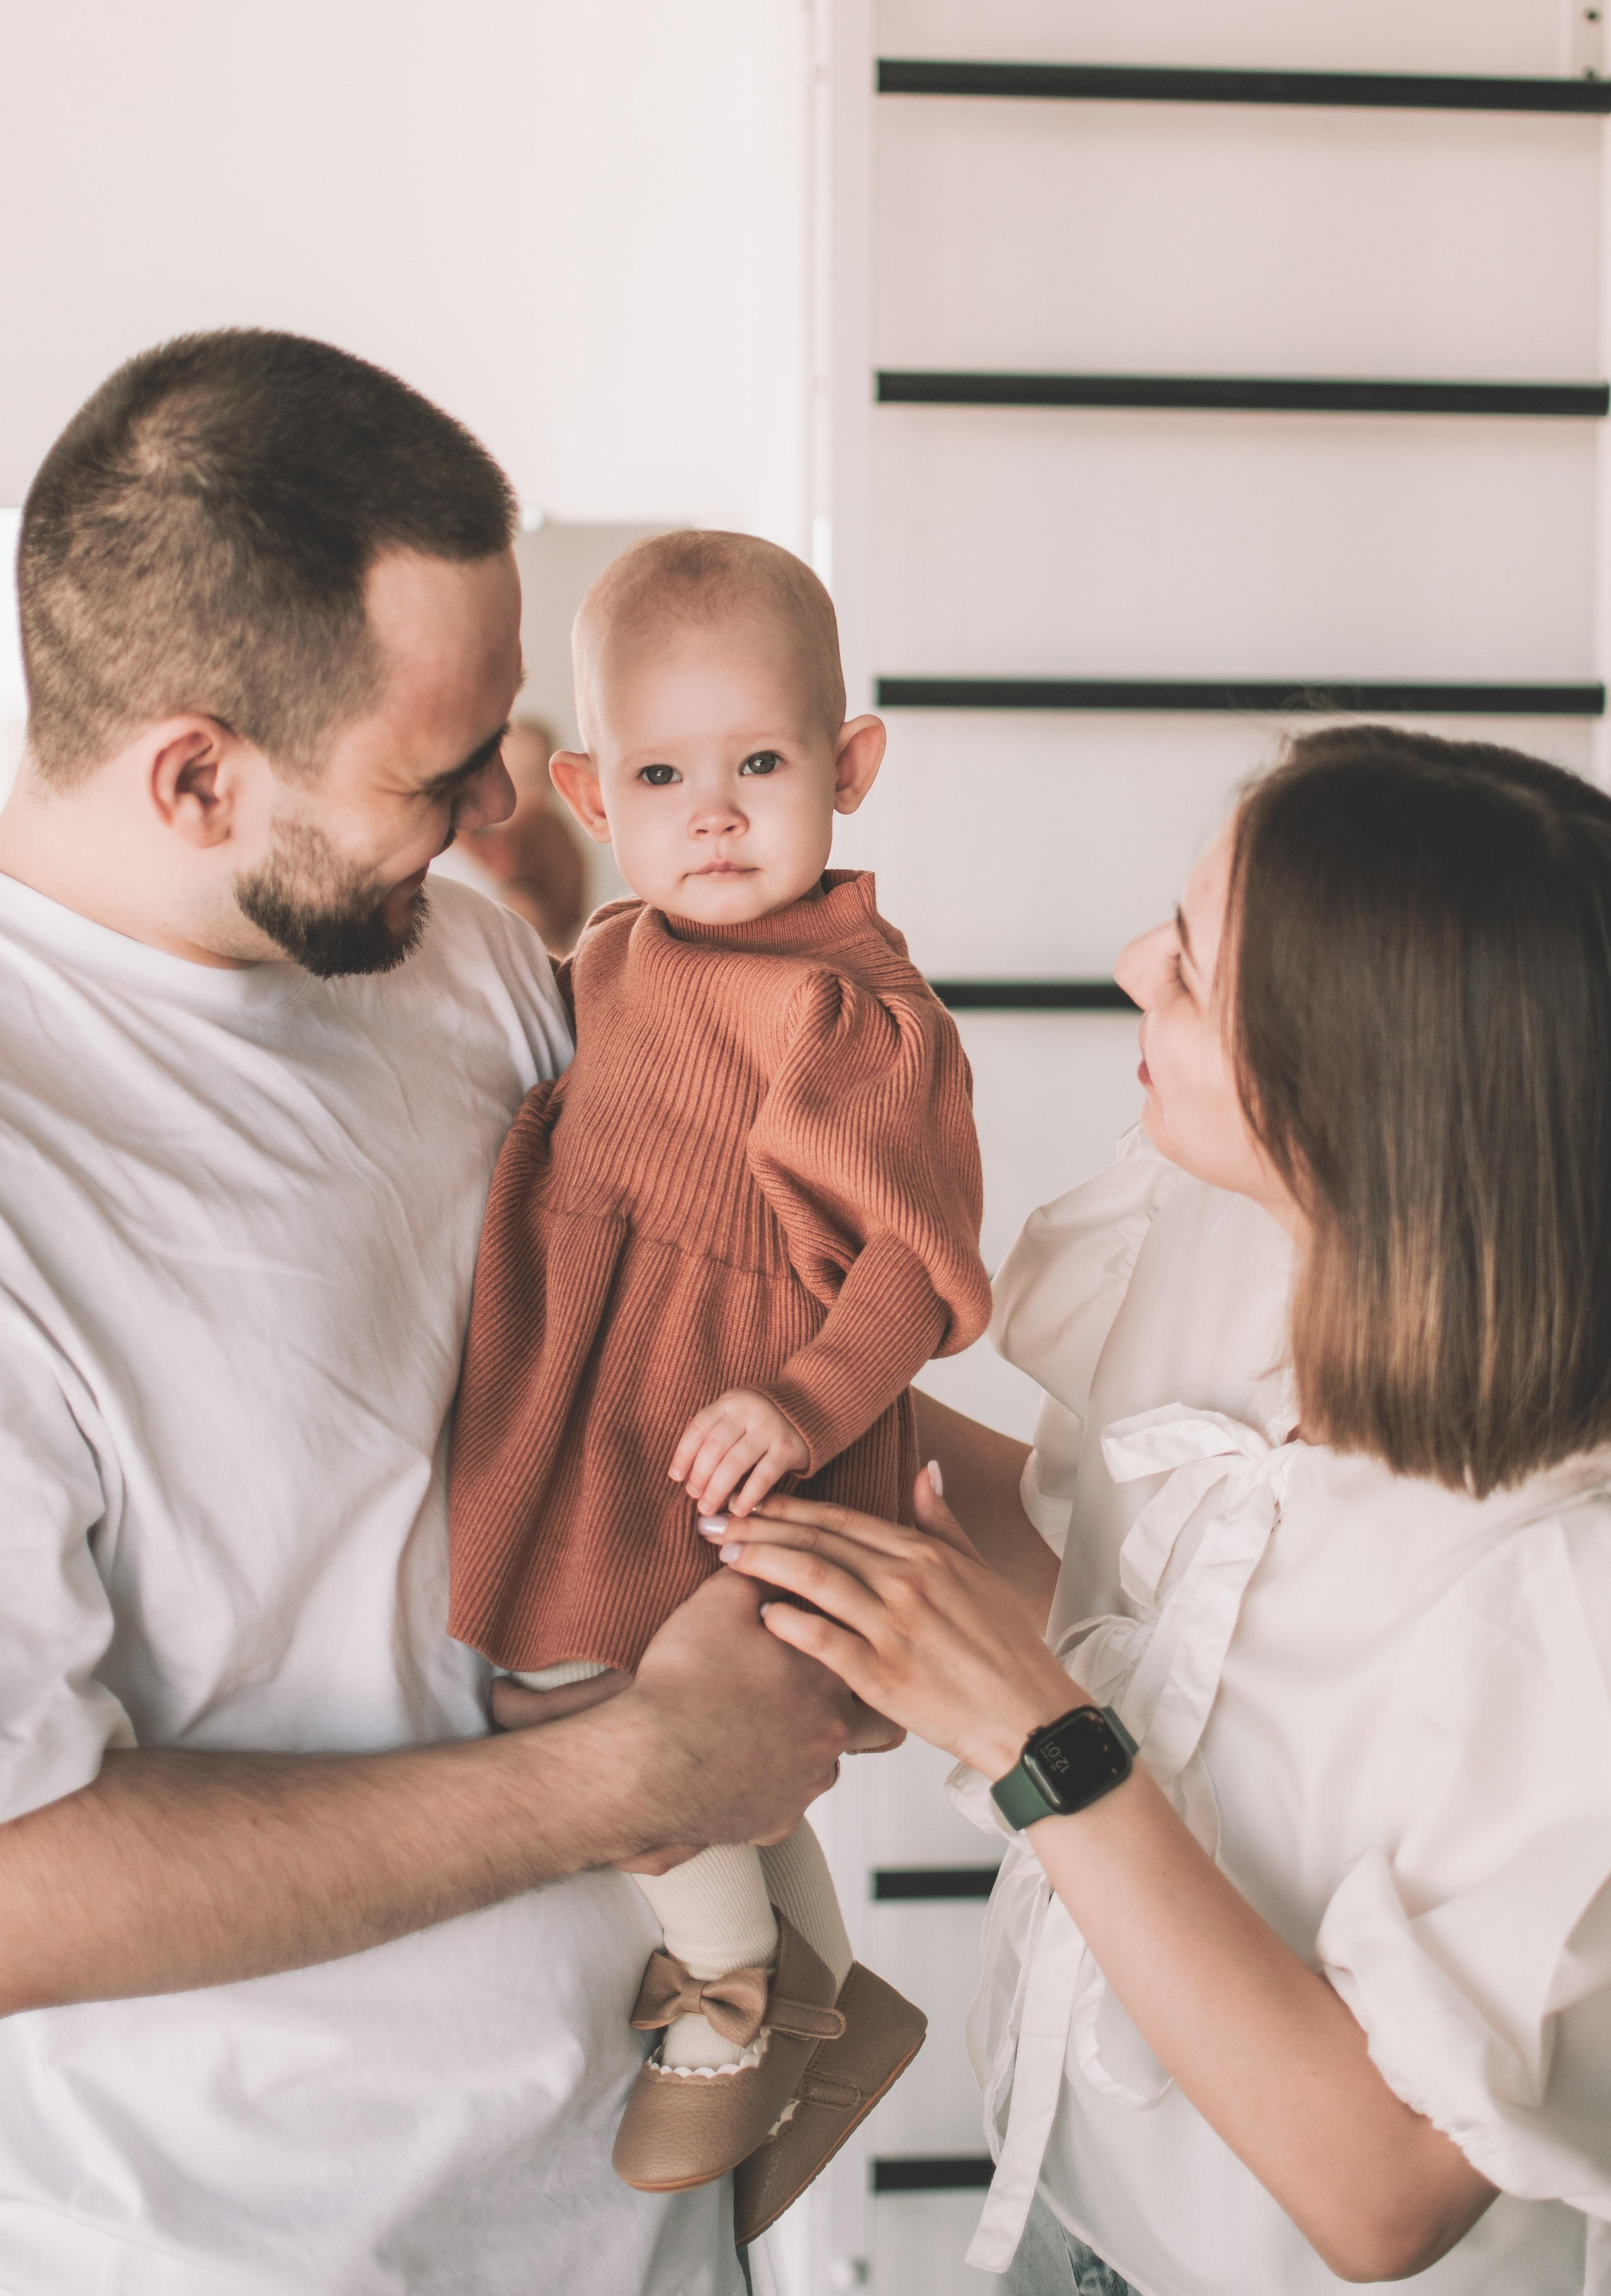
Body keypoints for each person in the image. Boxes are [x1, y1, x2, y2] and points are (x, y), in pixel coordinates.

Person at [0, 330, 860, 2296]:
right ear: (197, 769)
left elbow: (686, 1322)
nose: (504, 800)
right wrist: (637, 1777)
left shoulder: (454, 953)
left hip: (640, 2205)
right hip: (243, 2253)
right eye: (438, 763)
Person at [707, 728, 1611, 2295]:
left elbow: (1384, 2192)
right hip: (1065, 2221)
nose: (1132, 964)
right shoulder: (1223, 1229)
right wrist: (761, 1383)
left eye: (1191, 969)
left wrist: (1033, 1733)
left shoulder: (1574, 1577)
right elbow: (1097, 1555)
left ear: (1361, 1098)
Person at [448, 529, 992, 2229]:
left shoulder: (859, 1015)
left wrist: (803, 1407)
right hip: (602, 1388)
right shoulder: (613, 953)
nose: (720, 815)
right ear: (599, 797)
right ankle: (816, 1976)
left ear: (852, 769)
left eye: (763, 766)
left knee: (574, 1693)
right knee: (653, 1712)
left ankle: (732, 1986)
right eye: (671, 776)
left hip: (734, 1411)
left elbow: (911, 1269)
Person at [434, 712, 590, 951]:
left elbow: (535, 913)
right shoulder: (469, 833)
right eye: (507, 773)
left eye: (529, 779)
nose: (517, 795)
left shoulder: (546, 830)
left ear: (551, 786)